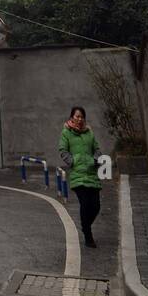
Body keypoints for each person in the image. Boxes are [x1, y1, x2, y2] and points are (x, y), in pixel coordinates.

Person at [59, 105, 102, 248]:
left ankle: (85, 226)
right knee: (85, 204)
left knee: (96, 206)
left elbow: (97, 149)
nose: (79, 119)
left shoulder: (89, 132)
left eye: (82, 117)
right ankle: (88, 236)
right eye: (77, 116)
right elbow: (63, 150)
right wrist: (73, 161)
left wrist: (96, 159)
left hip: (91, 173)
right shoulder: (66, 133)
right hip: (78, 174)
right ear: (72, 117)